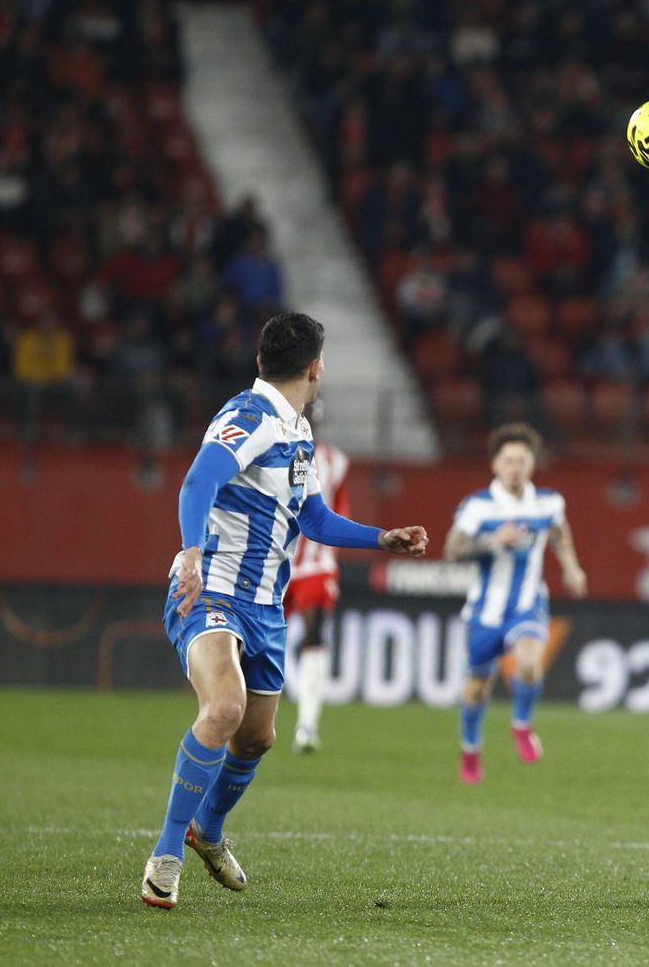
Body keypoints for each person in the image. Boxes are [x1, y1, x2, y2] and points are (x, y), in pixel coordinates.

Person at [142, 312, 428, 910]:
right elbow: (196, 483)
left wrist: (382, 539)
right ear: (316, 367)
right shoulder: (248, 418)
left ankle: (208, 832)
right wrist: (191, 556)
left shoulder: (297, 433)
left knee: (257, 739)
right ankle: (167, 853)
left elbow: (314, 519)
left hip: (265, 607)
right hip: (210, 589)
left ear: (262, 359)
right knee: (223, 707)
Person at [445, 422, 587, 782]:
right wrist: (493, 541)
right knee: (478, 686)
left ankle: (521, 724)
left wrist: (572, 568)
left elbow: (559, 531)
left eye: (522, 460)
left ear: (531, 465)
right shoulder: (479, 507)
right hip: (484, 611)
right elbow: (452, 550)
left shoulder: (548, 501)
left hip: (527, 604)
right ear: (495, 465)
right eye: (509, 460)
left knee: (528, 663)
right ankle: (471, 749)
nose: (515, 468)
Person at [282, 402, 351, 754]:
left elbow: (339, 512)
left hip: (316, 565)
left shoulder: (335, 462)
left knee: (314, 634)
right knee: (255, 638)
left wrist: (333, 559)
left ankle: (306, 726)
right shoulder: (272, 450)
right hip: (276, 560)